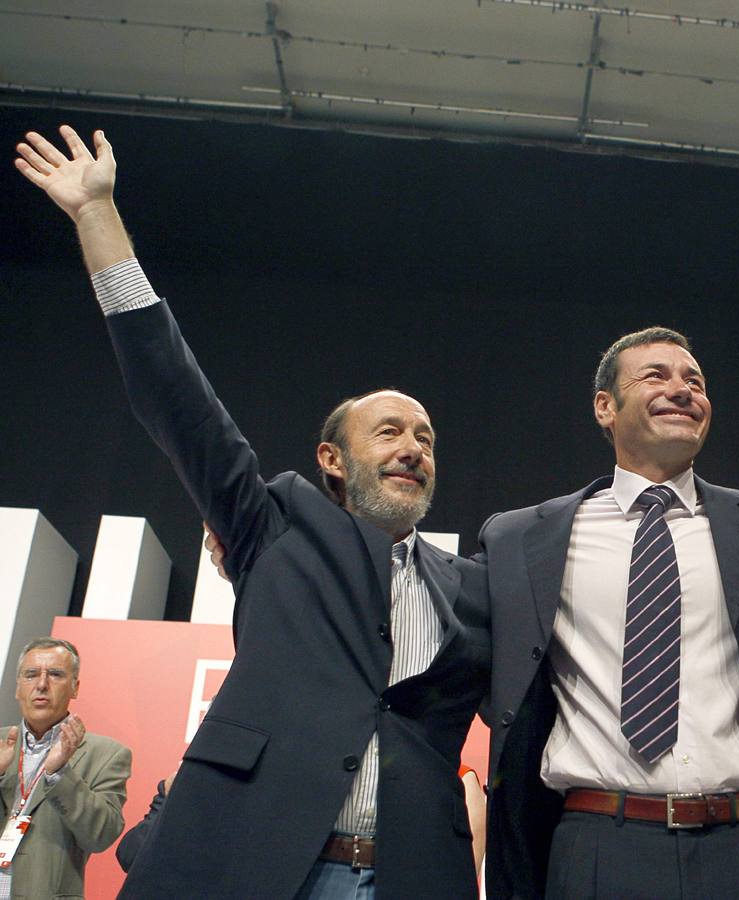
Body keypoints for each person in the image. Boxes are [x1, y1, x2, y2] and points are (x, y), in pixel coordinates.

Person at [14, 126, 490, 899]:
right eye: (390, 431)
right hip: (258, 867)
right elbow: (176, 398)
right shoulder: (277, 526)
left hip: (408, 877)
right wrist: (96, 213)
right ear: (333, 458)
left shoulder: (471, 589)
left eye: (427, 438)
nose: (413, 448)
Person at [478, 328, 739, 898]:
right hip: (595, 844)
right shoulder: (521, 539)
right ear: (605, 407)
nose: (682, 390)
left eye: (695, 382)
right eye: (656, 375)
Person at [0, 637, 130, 899]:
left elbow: (101, 835)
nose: (41, 685)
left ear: (75, 687)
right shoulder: (2, 744)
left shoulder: (106, 754)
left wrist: (59, 775)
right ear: (17, 688)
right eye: (31, 675)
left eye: (56, 675)